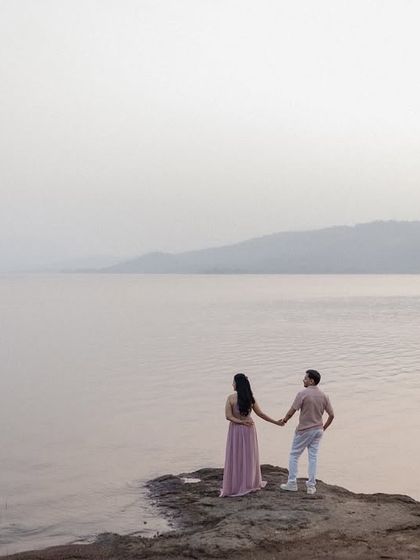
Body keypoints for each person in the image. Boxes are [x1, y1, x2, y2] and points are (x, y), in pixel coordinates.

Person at [220, 373, 280, 497]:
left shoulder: (231, 398)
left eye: (233, 382)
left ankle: (236, 484)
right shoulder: (250, 398)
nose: (232, 384)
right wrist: (276, 422)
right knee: (249, 456)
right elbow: (261, 414)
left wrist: (240, 422)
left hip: (236, 429)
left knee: (236, 456)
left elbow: (228, 416)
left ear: (237, 384)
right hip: (249, 429)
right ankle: (249, 482)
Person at [279, 369, 334, 495]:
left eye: (305, 378)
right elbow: (331, 415)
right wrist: (323, 428)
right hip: (318, 430)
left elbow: (292, 410)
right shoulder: (324, 395)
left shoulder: (303, 393)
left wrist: (284, 420)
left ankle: (292, 483)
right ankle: (311, 486)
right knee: (313, 457)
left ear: (311, 380)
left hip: (304, 430)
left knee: (294, 455)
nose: (303, 380)